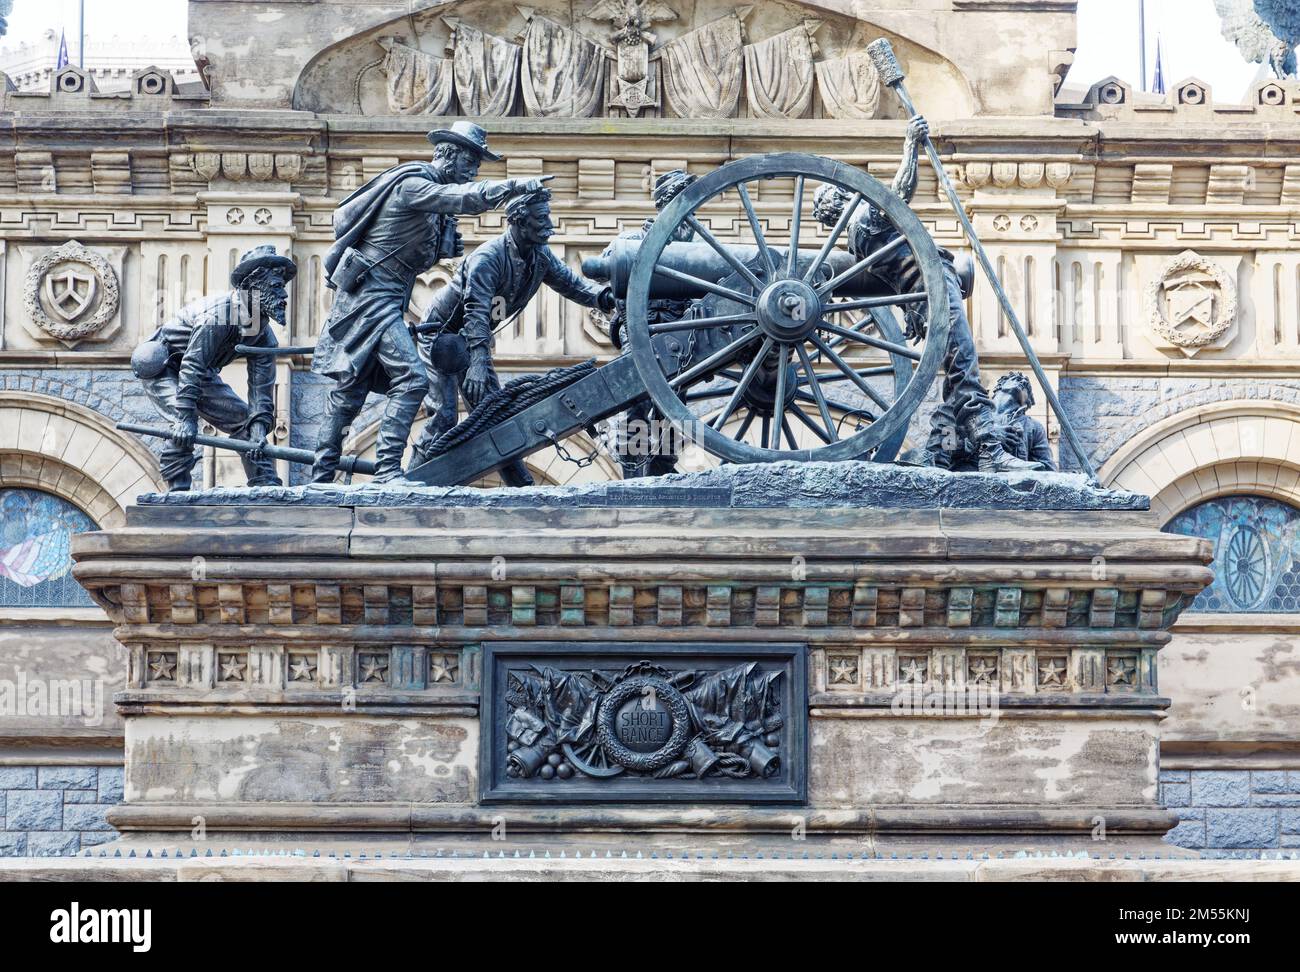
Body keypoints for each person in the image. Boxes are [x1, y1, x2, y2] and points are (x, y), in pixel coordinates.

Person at [310, 121, 551, 484]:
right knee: (410, 378)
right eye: (470, 163)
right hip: (373, 298)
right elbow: (465, 198)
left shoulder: (431, 201)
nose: (472, 172)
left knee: (351, 391)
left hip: (388, 297)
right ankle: (387, 471)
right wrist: (513, 186)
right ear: (450, 155)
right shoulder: (413, 184)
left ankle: (320, 476)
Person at [811, 115, 1038, 473]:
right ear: (841, 199)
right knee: (964, 367)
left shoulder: (859, 237)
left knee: (955, 372)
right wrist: (910, 145)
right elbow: (898, 197)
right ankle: (991, 454)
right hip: (933, 289)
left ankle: (940, 450)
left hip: (924, 296)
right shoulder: (863, 221)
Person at [409, 187, 615, 485]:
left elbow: (573, 285)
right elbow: (476, 312)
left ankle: (521, 485)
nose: (551, 225)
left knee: (498, 419)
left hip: (468, 342)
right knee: (444, 418)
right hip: (440, 340)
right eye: (542, 218)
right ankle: (411, 481)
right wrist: (478, 364)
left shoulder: (540, 256)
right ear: (519, 221)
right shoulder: (488, 259)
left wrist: (605, 298)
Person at [130, 244, 292, 492]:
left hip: (199, 372)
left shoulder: (263, 335)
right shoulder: (217, 316)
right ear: (253, 287)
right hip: (163, 366)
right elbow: (192, 364)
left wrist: (259, 428)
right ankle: (177, 490)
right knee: (183, 422)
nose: (284, 295)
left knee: (245, 423)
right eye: (276, 286)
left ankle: (265, 485)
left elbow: (261, 388)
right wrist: (184, 416)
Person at [604, 169, 698, 478]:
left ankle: (663, 466)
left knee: (675, 408)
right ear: (666, 205)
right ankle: (632, 471)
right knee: (636, 405)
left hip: (678, 339)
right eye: (682, 202)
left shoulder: (698, 247)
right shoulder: (632, 241)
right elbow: (609, 273)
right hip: (642, 333)